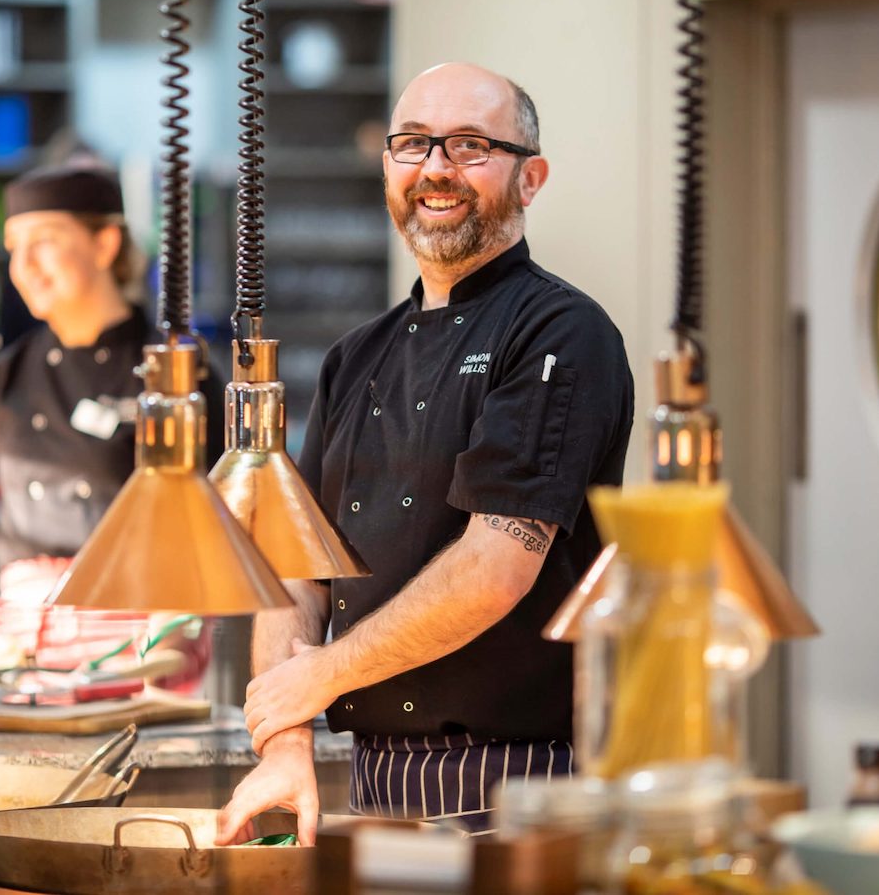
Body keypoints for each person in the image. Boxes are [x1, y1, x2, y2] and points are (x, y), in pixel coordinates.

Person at [216, 62, 636, 842]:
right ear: (387, 169)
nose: (435, 168)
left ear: (530, 178)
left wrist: (317, 679)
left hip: (519, 787)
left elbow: (495, 568)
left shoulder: (562, 334)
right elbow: (294, 568)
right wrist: (284, 741)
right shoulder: (355, 356)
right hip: (373, 781)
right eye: (412, 144)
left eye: (470, 145)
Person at [0, 163, 221, 686]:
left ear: (105, 244)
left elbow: (221, 522)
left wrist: (168, 638)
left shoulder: (178, 376)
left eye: (44, 242)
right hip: (20, 652)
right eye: (13, 247)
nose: (23, 266)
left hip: (145, 647)